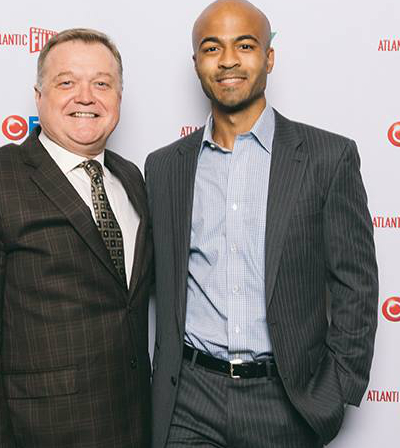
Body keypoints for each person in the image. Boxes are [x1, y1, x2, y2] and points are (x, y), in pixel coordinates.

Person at [145, 1, 378, 447]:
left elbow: (358, 285)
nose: (228, 59)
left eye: (245, 45)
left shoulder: (327, 158)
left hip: (286, 400)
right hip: (189, 401)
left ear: (269, 57)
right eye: (212, 48)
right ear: (197, 64)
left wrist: (336, 389)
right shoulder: (164, 166)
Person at [0, 28, 152, 448]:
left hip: (134, 426)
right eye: (66, 82)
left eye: (102, 83)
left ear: (118, 98)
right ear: (39, 97)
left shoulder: (131, 178)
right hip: (41, 434)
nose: (85, 97)